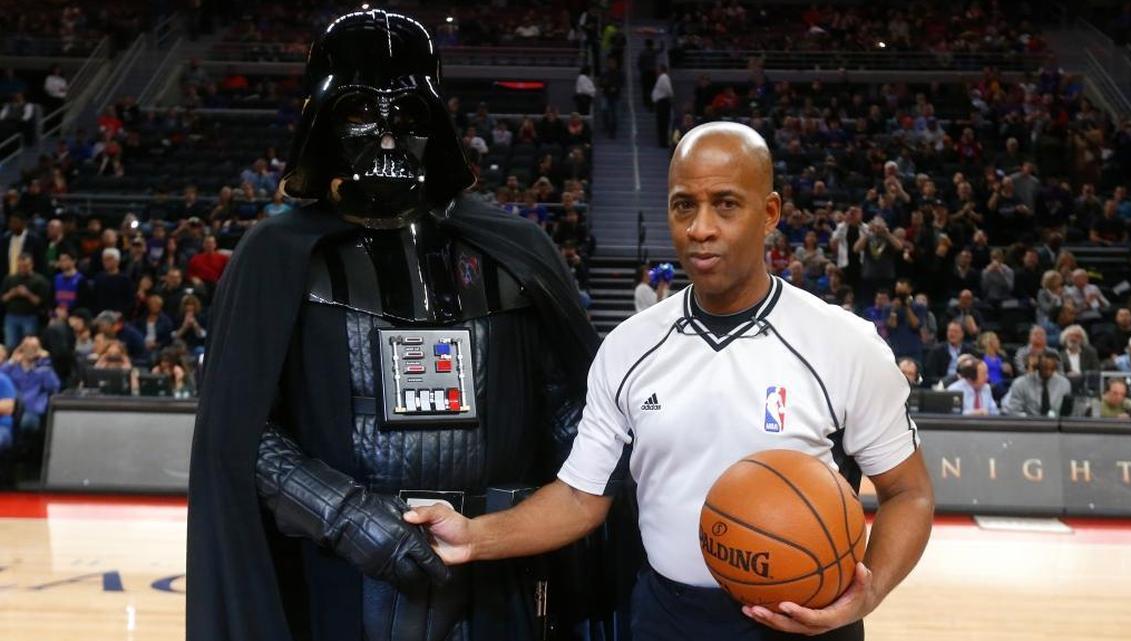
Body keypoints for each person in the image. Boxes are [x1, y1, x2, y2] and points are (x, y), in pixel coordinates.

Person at [407, 122, 934, 640]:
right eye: (685, 205)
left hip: (808, 621)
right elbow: (578, 500)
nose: (701, 227)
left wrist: (870, 591)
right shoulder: (628, 348)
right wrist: (474, 536)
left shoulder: (845, 344)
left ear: (770, 212)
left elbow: (907, 493)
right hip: (667, 618)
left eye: (726, 204)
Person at [186, 10, 611, 641]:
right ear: (321, 120)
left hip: (501, 569)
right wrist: (349, 518)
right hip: (341, 576)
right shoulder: (279, 257)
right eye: (361, 111)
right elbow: (241, 430)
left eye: (408, 115)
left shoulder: (512, 247)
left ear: (437, 122)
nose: (386, 136)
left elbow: (566, 407)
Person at [0, 336, 60, 434]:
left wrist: (45, 361)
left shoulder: (44, 369)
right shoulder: (11, 368)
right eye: (27, 346)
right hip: (12, 409)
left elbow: (54, 387)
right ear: (21, 348)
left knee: (27, 422)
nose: (30, 350)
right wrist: (12, 361)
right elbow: (1, 378)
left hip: (32, 410)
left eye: (34, 347)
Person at [0, 253, 50, 350]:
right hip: (11, 317)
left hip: (30, 317)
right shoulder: (10, 279)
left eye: (25, 266)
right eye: (20, 266)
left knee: (29, 346)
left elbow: (40, 302)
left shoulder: (39, 280)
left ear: (31, 265)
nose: (22, 268)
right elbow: (2, 299)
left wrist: (27, 294)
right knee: (10, 346)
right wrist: (11, 294)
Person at [1001, 352, 1071, 417]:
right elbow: (1014, 411)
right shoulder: (1020, 383)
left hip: (1055, 426)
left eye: (1052, 368)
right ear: (1038, 366)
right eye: (1045, 368)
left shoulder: (1064, 384)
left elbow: (1067, 414)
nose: (1048, 372)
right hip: (1029, 426)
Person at [1058, 324, 1100, 395]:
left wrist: (1080, 376)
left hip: (1085, 386)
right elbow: (1058, 374)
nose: (1074, 339)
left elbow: (1096, 371)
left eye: (1077, 336)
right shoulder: (1059, 355)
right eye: (1071, 335)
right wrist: (1067, 375)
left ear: (1082, 340)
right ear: (1065, 338)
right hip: (1066, 386)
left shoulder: (1090, 353)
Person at [651, 65, 673, 148]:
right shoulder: (662, 77)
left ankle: (663, 142)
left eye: (658, 69)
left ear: (661, 70)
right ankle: (662, 142)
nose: (656, 71)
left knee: (663, 123)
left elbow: (668, 89)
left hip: (663, 102)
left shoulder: (663, 77)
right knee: (662, 123)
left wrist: (670, 96)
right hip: (661, 102)